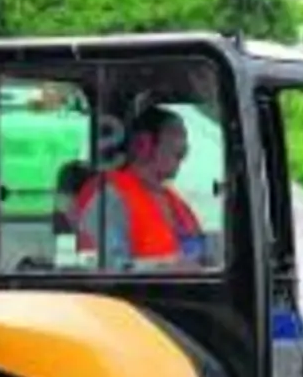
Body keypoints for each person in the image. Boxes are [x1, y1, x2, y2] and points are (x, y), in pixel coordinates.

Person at [73, 105, 206, 270]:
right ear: (145, 144)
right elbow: (105, 267)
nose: (185, 147)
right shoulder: (108, 196)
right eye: (176, 134)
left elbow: (200, 250)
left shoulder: (173, 200)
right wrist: (165, 269)